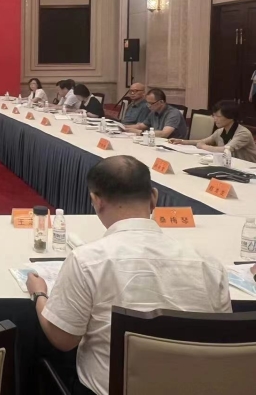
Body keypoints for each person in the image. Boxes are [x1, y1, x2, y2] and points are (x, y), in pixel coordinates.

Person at [26, 156, 231, 395]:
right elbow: (222, 339)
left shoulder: (87, 260)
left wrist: (39, 294)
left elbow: (63, 339)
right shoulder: (209, 264)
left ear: (96, 201)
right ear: (154, 198)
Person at [170, 100, 256, 162]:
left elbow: (225, 150)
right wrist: (182, 141)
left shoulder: (243, 133)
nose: (214, 119)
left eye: (218, 116)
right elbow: (203, 141)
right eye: (214, 116)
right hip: (229, 165)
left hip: (247, 168)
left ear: (231, 117)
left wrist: (203, 147)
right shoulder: (220, 131)